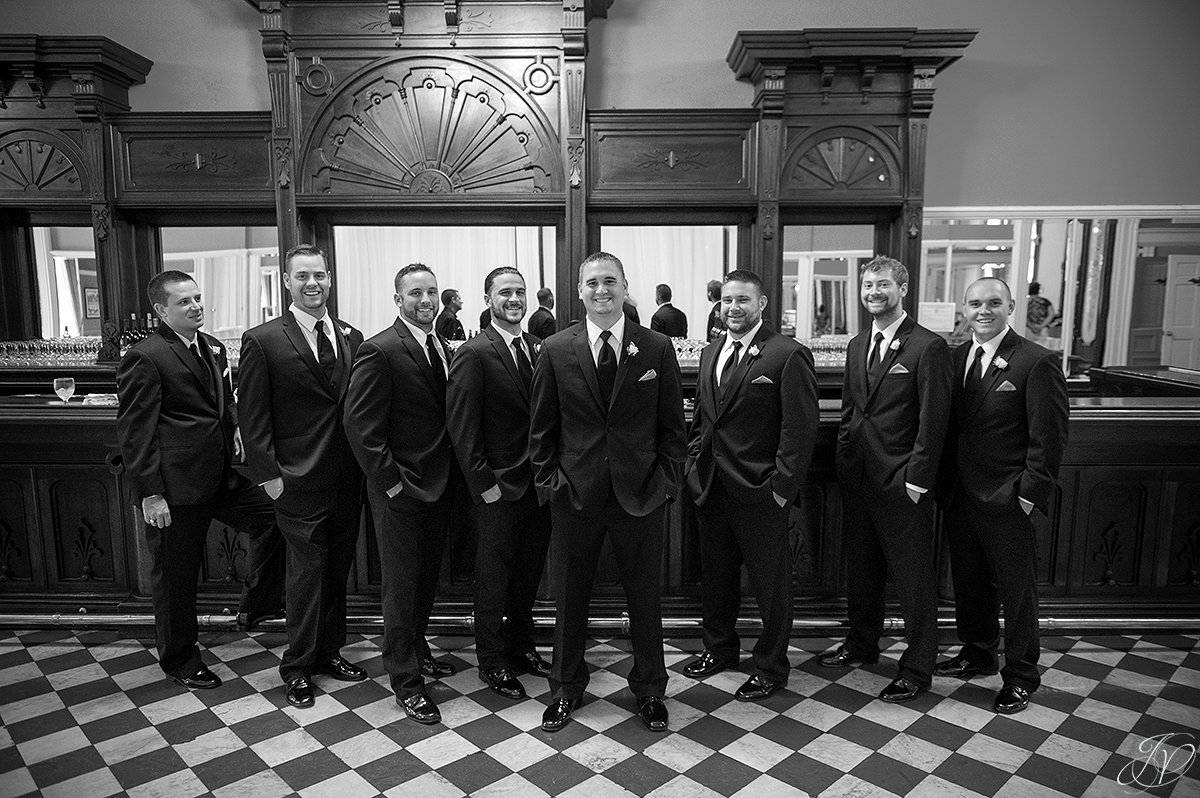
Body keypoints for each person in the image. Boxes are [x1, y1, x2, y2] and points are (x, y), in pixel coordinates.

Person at [529, 251, 686, 733]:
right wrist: (551, 485)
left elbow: (672, 429)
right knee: (569, 598)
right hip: (575, 495)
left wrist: (666, 484)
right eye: (593, 283)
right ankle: (565, 688)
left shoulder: (656, 346)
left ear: (625, 287)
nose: (602, 290)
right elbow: (542, 431)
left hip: (640, 494)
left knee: (644, 600)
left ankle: (651, 691)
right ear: (579, 291)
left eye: (611, 282)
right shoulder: (555, 348)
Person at [818, 255, 952, 704]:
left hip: (902, 481)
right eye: (868, 286)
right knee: (863, 570)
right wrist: (843, 461)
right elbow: (854, 410)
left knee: (913, 578)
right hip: (858, 478)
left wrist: (916, 479)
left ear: (903, 289)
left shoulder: (927, 347)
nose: (874, 293)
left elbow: (934, 422)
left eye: (882, 286)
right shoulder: (859, 343)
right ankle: (861, 644)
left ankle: (917, 667)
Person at [237, 244, 366, 708]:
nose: (313, 284)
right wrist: (268, 475)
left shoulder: (351, 335)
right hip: (295, 478)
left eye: (320, 275)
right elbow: (251, 416)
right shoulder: (264, 339)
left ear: (330, 278)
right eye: (303, 276)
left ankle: (330, 652)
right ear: (287, 282)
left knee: (336, 570)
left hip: (347, 477)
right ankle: (296, 666)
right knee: (306, 573)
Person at [935, 277, 1069, 715]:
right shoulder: (954, 359)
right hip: (960, 494)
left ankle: (1021, 676)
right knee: (970, 582)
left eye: (994, 303)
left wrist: (1028, 494)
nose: (983, 311)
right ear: (964, 309)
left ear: (1011, 306)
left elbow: (1048, 440)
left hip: (1009, 497)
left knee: (1017, 591)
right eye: (975, 304)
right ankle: (977, 653)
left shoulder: (1036, 362)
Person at [683, 270, 818, 699]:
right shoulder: (712, 351)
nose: (733, 308)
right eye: (726, 301)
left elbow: (799, 430)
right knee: (717, 578)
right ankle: (719, 649)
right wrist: (692, 465)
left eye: (743, 300)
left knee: (770, 587)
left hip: (762, 490)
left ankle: (771, 666)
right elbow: (705, 419)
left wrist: (781, 487)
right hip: (711, 486)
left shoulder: (786, 354)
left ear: (761, 304)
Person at [116, 271, 249, 689]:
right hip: (175, 488)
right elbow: (136, 432)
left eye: (197, 298)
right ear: (161, 310)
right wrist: (151, 495)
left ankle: (260, 602)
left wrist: (237, 426)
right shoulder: (146, 356)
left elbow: (222, 400)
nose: (196, 306)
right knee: (175, 579)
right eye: (184, 302)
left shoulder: (210, 346)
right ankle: (180, 660)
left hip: (221, 478)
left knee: (281, 518)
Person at [344, 263, 459, 725]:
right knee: (400, 587)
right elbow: (360, 426)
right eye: (416, 293)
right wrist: (390, 481)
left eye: (431, 291)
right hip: (400, 489)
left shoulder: (443, 347)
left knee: (425, 580)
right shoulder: (380, 349)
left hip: (439, 485)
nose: (426, 300)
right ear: (398, 300)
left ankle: (419, 649)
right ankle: (406, 681)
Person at [446, 267, 553, 700]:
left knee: (527, 575)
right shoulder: (474, 352)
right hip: (497, 488)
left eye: (520, 291)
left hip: (538, 488)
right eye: (505, 292)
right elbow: (462, 426)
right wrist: (483, 485)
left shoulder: (537, 347)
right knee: (493, 580)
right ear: (488, 298)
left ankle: (522, 646)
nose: (514, 298)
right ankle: (492, 661)